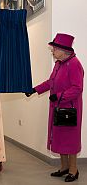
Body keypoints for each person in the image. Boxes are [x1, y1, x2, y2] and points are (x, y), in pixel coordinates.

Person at [25, 33, 84, 182]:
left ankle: (73, 170)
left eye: (54, 49)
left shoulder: (75, 64)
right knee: (60, 138)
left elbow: (77, 88)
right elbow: (51, 82)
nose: (52, 51)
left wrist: (58, 96)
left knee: (70, 140)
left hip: (70, 108)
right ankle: (64, 167)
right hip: (58, 108)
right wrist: (34, 89)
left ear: (64, 51)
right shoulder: (59, 64)